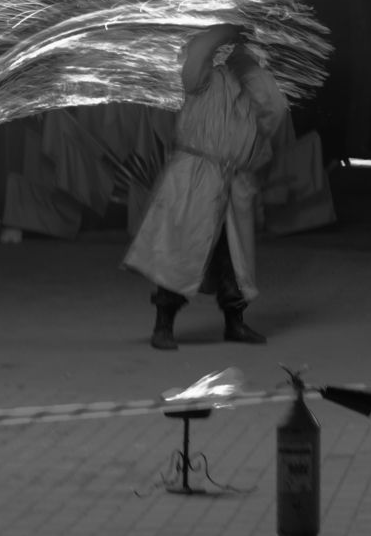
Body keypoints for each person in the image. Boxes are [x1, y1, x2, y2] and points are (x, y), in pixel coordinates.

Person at [123, 23, 288, 350]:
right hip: (195, 180)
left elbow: (276, 108)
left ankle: (235, 323)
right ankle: (163, 325)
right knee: (180, 251)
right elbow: (197, 58)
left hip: (234, 183)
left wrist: (247, 62)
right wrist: (224, 31)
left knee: (235, 262)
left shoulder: (251, 94)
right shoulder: (202, 81)